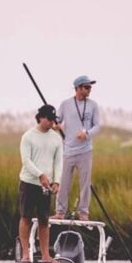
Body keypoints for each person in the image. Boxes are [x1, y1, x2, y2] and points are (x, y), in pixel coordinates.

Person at [52, 75, 100, 221]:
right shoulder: (65, 104)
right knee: (64, 182)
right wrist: (56, 126)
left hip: (85, 151)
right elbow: (57, 121)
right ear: (78, 88)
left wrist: (86, 134)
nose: (89, 89)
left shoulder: (93, 105)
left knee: (85, 184)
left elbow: (97, 126)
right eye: (86, 87)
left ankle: (83, 213)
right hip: (68, 151)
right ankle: (60, 211)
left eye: (90, 87)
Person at [18, 104, 63, 263]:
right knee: (26, 217)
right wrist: (40, 175)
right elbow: (26, 161)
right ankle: (25, 254)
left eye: (53, 120)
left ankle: (45, 255)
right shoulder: (28, 136)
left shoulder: (56, 138)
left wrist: (56, 181)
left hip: (46, 186)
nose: (52, 123)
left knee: (44, 220)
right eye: (49, 119)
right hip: (29, 182)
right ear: (41, 118)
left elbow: (58, 162)